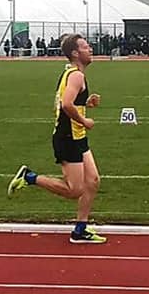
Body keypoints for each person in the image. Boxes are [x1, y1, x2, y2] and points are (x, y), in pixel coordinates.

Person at [7, 34, 105, 244]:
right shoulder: (76, 76)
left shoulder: (72, 74)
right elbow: (67, 105)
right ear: (75, 53)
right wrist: (84, 120)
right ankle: (30, 177)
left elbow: (65, 104)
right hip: (68, 137)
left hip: (77, 136)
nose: (90, 49)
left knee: (93, 181)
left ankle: (80, 230)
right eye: (86, 47)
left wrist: (86, 103)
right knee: (75, 190)